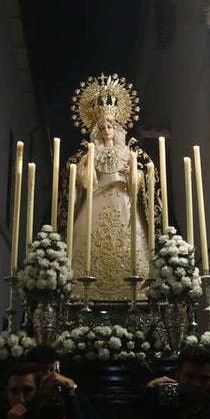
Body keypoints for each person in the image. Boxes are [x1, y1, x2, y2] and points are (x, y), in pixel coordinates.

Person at [66, 74, 155, 300]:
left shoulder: (127, 152)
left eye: (109, 126)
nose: (106, 130)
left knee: (131, 241)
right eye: (103, 127)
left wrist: (131, 175)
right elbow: (83, 181)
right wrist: (83, 168)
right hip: (96, 200)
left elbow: (139, 181)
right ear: (97, 131)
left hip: (124, 200)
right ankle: (85, 290)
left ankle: (136, 289)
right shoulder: (91, 152)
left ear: (116, 129)